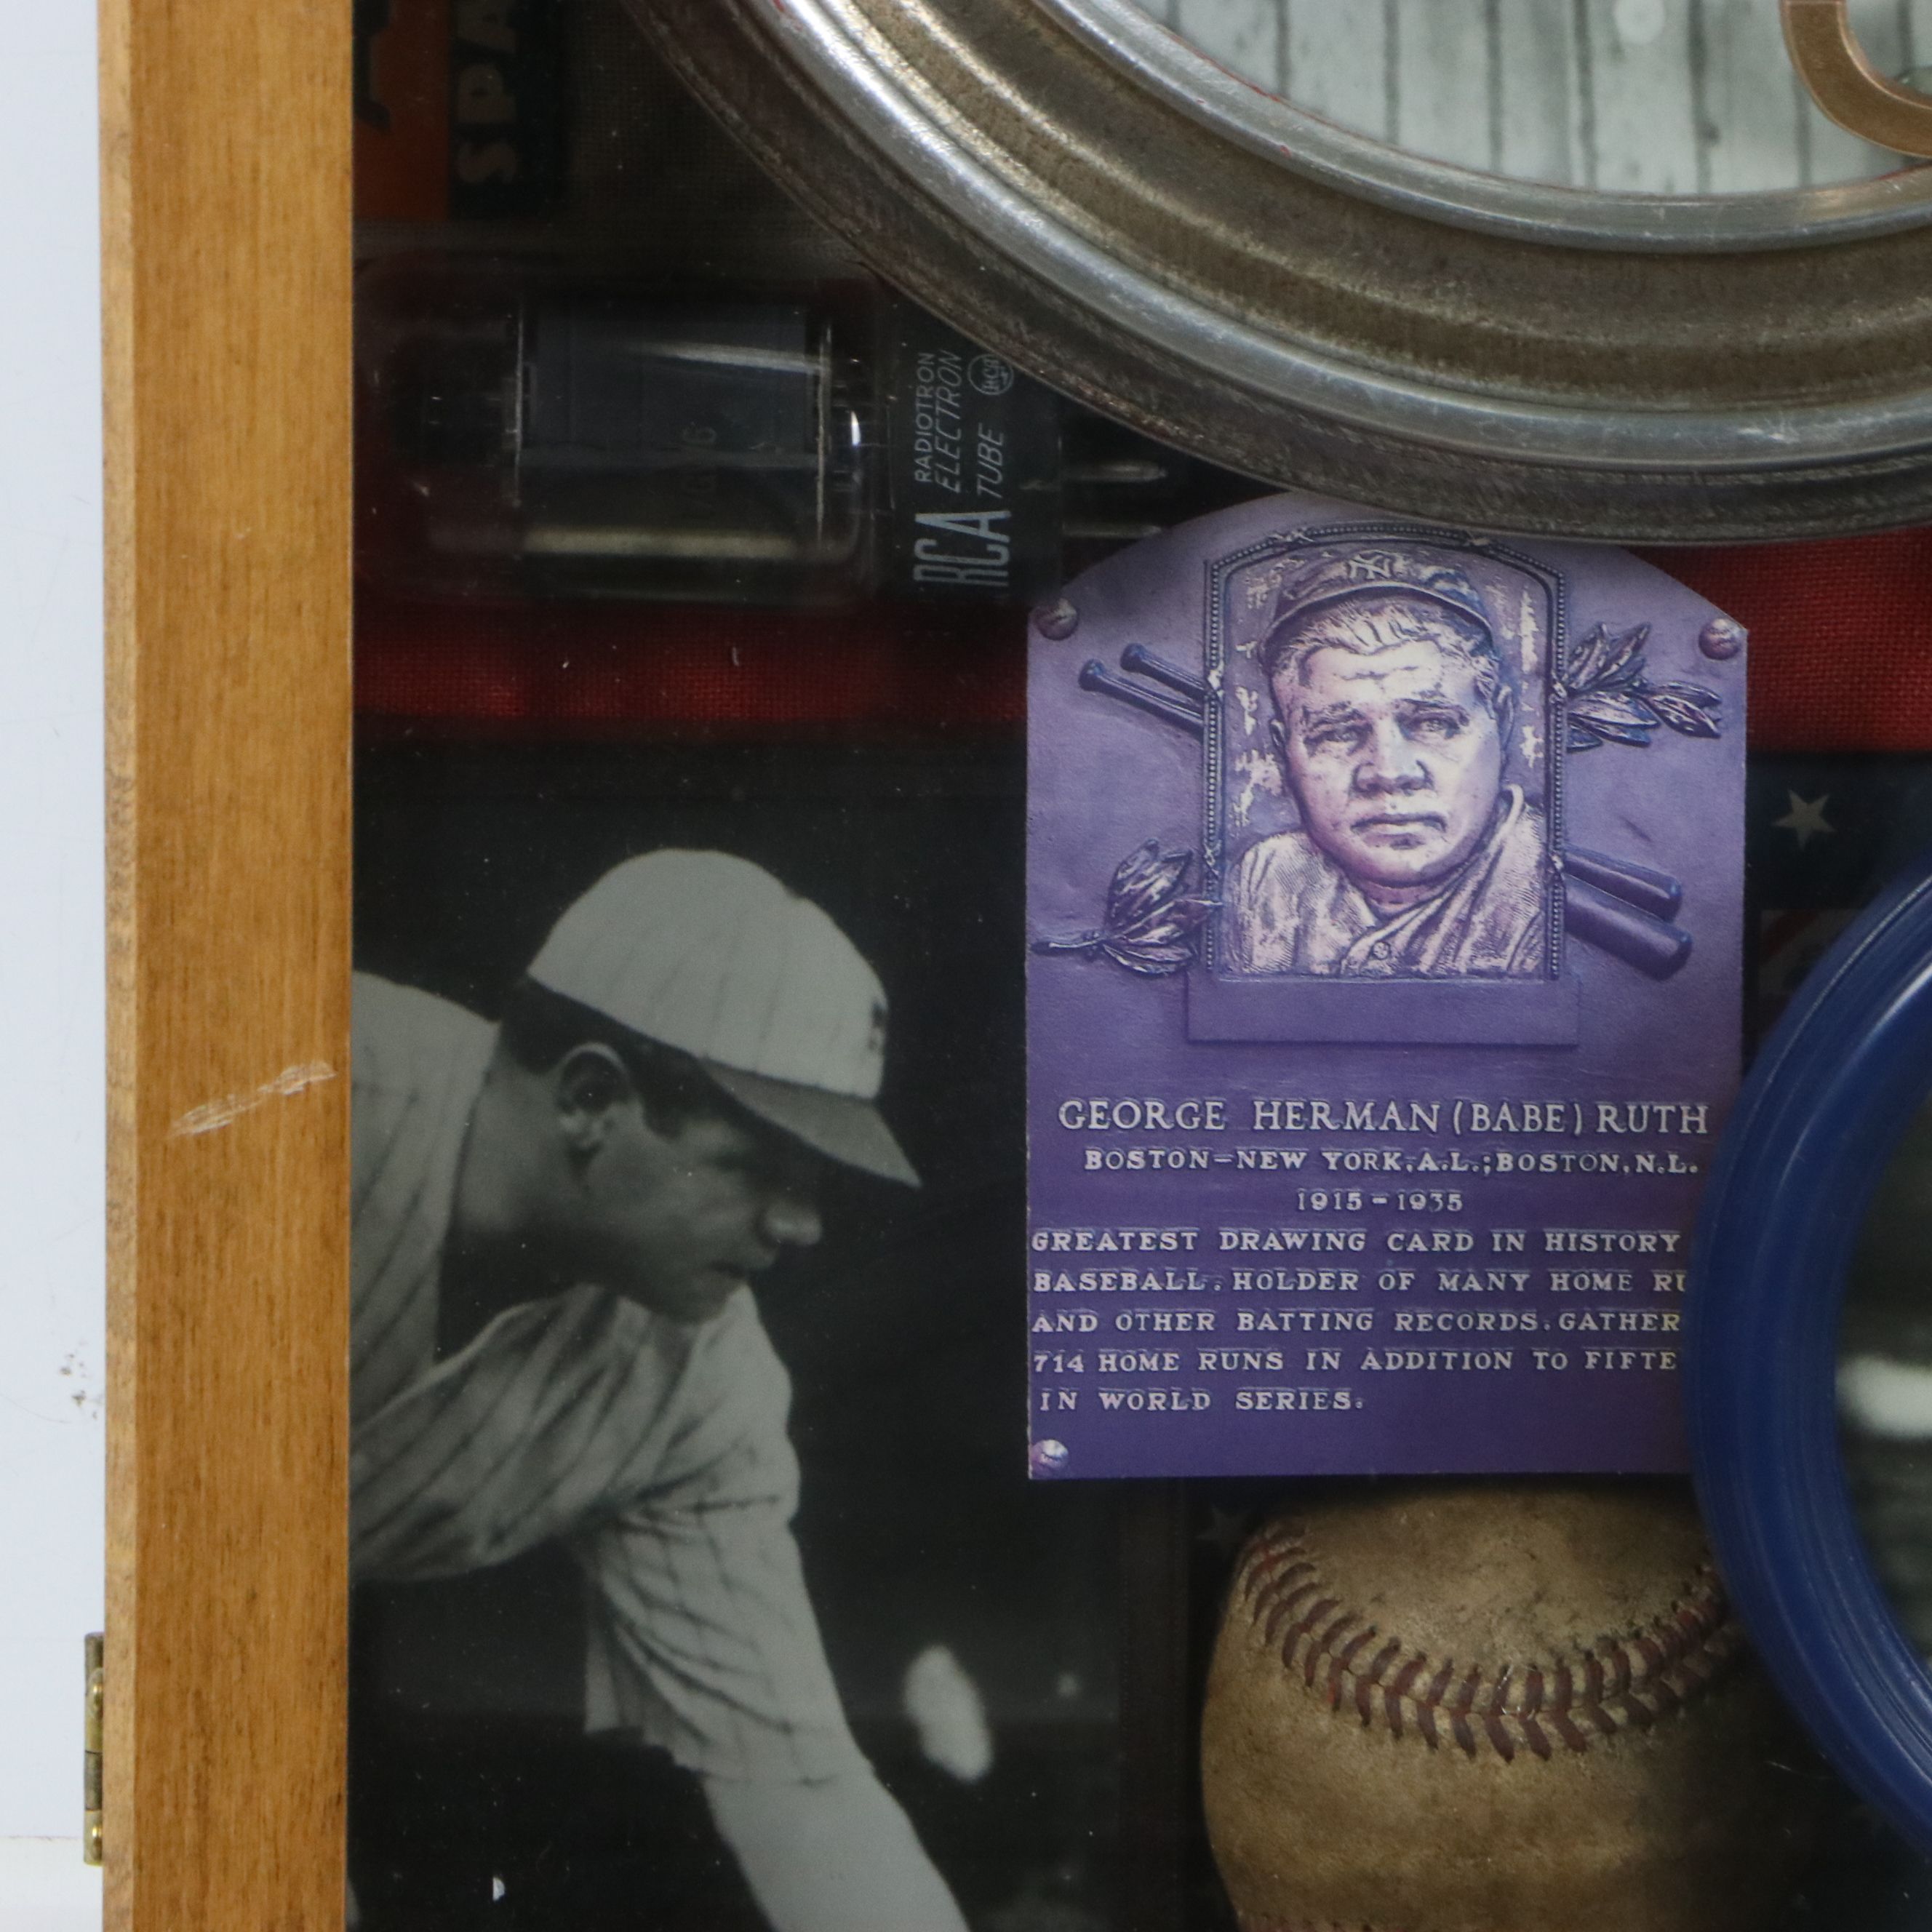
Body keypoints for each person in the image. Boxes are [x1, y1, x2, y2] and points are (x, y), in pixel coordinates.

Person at [348, 849, 967, 1932]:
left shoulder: (700, 1381)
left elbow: (800, 1792)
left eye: (817, 1179)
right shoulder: (293, 1086)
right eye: (763, 1165)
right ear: (592, 1098)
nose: (803, 1225)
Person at [1226, 546, 1551, 978]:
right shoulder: (1266, 879)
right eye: (1339, 733)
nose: (1390, 773)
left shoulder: (1557, 893)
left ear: (1503, 721)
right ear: (1285, 752)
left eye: (1433, 724)